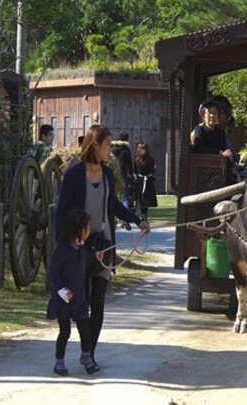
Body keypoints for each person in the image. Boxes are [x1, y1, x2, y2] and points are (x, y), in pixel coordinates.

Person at [55, 124, 150, 368]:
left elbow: (115, 206)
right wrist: (65, 245)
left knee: (98, 302)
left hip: (105, 247)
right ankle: (71, 351)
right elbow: (62, 211)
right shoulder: (74, 175)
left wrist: (138, 220)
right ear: (95, 145)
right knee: (80, 302)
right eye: (108, 144)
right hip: (80, 248)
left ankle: (89, 354)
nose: (111, 149)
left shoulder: (107, 174)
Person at [46, 209, 101, 376]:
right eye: (87, 228)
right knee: (65, 332)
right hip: (64, 300)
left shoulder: (82, 250)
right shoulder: (62, 252)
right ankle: (59, 362)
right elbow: (53, 273)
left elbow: (90, 258)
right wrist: (61, 290)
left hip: (79, 299)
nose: (89, 231)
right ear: (79, 230)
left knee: (85, 329)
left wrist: (97, 256)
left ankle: (86, 357)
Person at [111, 131, 136, 211]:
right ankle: (125, 216)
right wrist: (131, 174)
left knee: (113, 196)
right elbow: (129, 164)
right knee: (125, 197)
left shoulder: (113, 149)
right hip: (123, 175)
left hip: (113, 175)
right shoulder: (126, 150)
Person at [134, 142, 158, 222]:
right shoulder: (150, 159)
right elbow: (152, 169)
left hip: (141, 180)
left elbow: (134, 170)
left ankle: (142, 215)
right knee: (145, 199)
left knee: (141, 199)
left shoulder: (136, 159)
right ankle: (144, 215)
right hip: (148, 181)